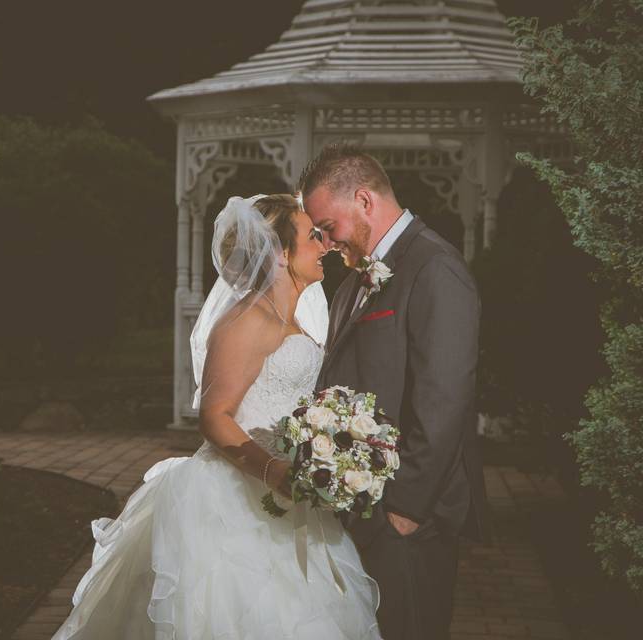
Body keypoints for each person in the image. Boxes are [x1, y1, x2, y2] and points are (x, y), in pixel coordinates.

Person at [52, 194, 381, 639]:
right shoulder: (248, 320)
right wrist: (274, 471)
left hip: (290, 494)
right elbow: (215, 416)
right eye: (312, 236)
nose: (324, 245)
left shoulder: (291, 321)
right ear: (281, 254)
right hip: (237, 497)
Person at [300, 144, 487, 640]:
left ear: (364, 200)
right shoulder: (351, 284)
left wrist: (405, 509)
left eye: (327, 227)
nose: (323, 241)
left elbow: (444, 399)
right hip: (363, 508)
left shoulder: (435, 268)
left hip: (408, 514)